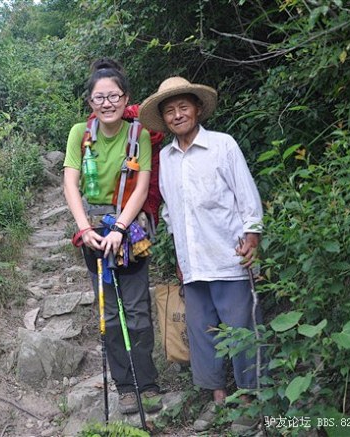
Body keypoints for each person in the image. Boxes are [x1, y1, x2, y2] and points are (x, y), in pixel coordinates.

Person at [139, 77, 264, 434]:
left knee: (241, 328)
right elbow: (170, 211)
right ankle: (218, 398)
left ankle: (251, 397)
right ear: (164, 119)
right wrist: (179, 252)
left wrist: (252, 237)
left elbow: (246, 195)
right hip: (192, 262)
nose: (178, 115)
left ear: (196, 109)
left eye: (183, 107)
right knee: (201, 332)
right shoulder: (165, 158)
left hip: (229, 256)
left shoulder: (222, 145)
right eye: (170, 111)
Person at [63, 59, 162, 415]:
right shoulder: (80, 133)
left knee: (136, 309)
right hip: (93, 230)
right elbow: (71, 183)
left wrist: (120, 228)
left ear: (126, 98)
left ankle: (146, 382)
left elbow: (142, 186)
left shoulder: (139, 135)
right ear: (89, 101)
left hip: (130, 229)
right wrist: (84, 228)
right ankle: (125, 387)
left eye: (114, 96)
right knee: (108, 313)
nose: (107, 103)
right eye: (99, 97)